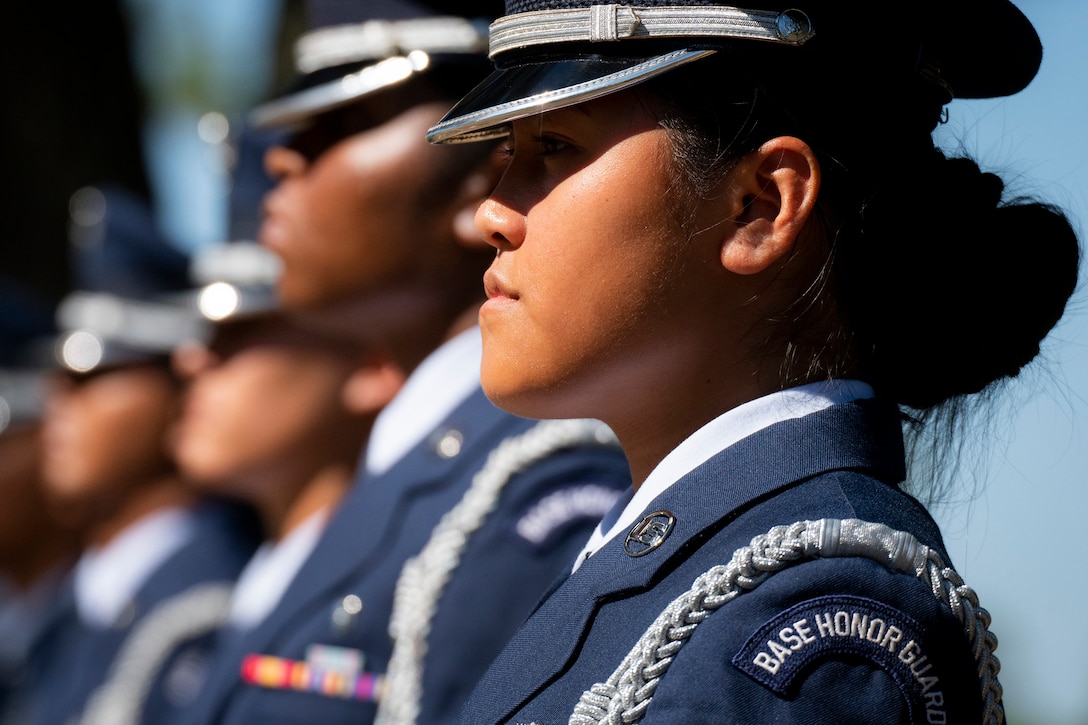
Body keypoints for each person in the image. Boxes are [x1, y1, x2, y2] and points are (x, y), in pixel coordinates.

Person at [425, 1, 1082, 723]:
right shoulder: (675, 564)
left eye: (553, 144)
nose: (489, 212)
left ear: (760, 207)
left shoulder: (817, 632)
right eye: (508, 152)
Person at [177, 2, 632, 724]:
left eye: (341, 124)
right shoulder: (407, 465)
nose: (282, 158)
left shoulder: (530, 486)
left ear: (476, 185)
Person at [22, 186, 262, 725]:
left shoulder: (206, 605)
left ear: (181, 384)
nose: (59, 400)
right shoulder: (80, 605)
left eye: (93, 375)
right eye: (60, 377)